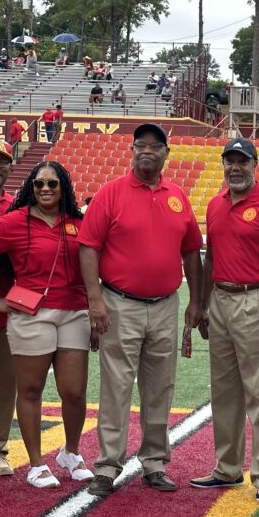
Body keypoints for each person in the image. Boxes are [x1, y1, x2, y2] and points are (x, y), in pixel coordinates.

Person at [78, 123, 204, 496]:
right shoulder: (110, 193)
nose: (147, 150)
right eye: (140, 145)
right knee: (116, 386)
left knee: (160, 387)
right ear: (132, 151)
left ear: (166, 153)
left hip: (165, 304)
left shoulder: (177, 195)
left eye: (155, 145)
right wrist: (95, 300)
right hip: (119, 304)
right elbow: (88, 247)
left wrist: (197, 300)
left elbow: (191, 252)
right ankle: (107, 466)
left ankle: (154, 463)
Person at [0, 160, 94, 489]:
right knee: (31, 389)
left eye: (52, 183)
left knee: (74, 392)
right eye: (39, 184)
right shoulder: (15, 221)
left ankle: (71, 452)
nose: (45, 189)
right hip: (31, 313)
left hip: (74, 311)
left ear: (63, 187)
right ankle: (36, 464)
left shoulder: (79, 222)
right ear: (31, 188)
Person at [191, 137, 259, 505]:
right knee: (224, 391)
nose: (235, 168)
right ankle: (227, 467)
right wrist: (204, 304)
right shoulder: (216, 204)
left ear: (255, 165)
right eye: (230, 161)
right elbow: (210, 259)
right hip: (221, 299)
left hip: (258, 298)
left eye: (242, 161)